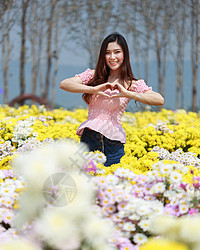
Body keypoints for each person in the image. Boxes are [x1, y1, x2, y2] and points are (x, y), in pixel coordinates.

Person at [60, 32, 164, 167]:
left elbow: (159, 99)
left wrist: (127, 93)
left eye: (117, 52)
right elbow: (64, 84)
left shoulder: (130, 83)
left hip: (113, 144)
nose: (112, 57)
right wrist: (93, 89)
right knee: (87, 180)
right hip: (89, 138)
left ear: (124, 54)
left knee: (114, 183)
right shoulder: (93, 75)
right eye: (108, 53)